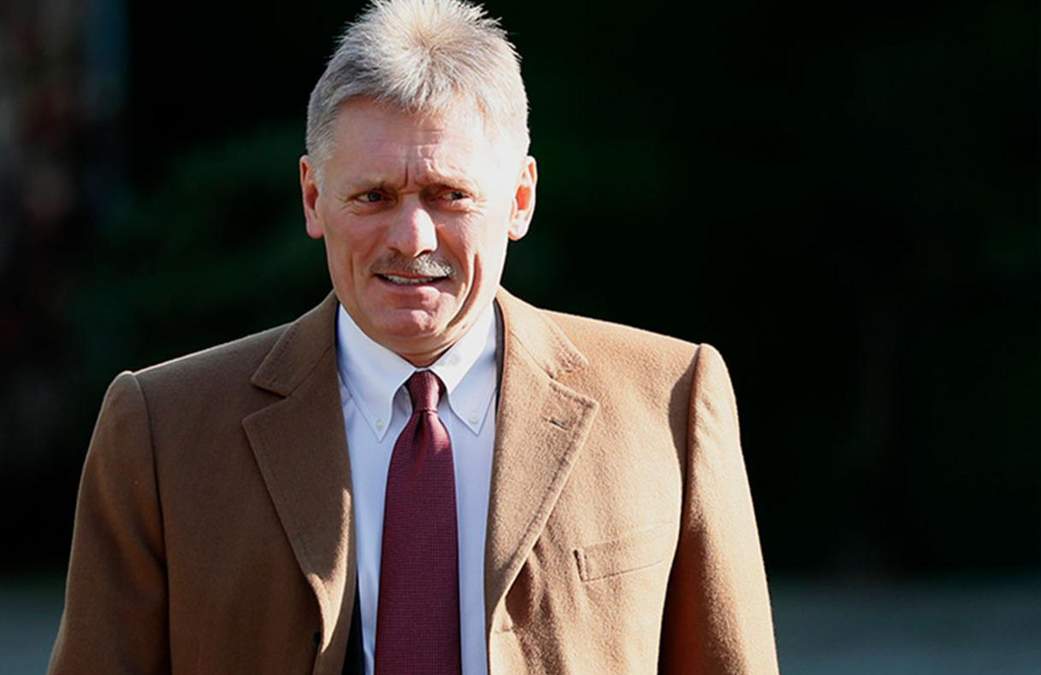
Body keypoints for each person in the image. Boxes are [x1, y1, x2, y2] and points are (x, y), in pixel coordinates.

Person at [48, 0, 778, 673]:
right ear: (313, 197)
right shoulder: (162, 430)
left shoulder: (668, 402)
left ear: (520, 198)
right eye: (373, 196)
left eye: (448, 195)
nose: (412, 237)